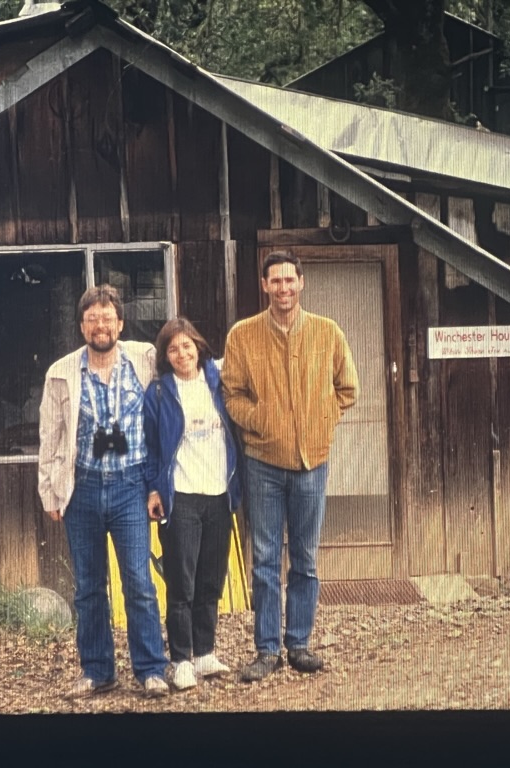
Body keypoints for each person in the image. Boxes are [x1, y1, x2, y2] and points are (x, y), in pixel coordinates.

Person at [221, 251, 358, 683]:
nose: (283, 288)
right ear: (264, 286)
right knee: (264, 558)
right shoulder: (243, 336)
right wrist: (265, 423)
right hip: (263, 462)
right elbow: (232, 395)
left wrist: (320, 421)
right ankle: (266, 649)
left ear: (302, 282)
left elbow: (347, 388)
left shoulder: (327, 332)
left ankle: (298, 643)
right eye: (274, 281)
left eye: (289, 280)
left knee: (305, 558)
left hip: (311, 463)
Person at [38, 284, 170, 699]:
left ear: (121, 323)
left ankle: (151, 668)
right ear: (82, 326)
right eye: (92, 319)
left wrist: (157, 486)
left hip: (132, 486)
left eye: (107, 318)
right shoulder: (61, 373)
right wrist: (51, 493)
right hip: (83, 489)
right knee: (89, 586)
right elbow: (50, 436)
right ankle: (98, 671)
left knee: (138, 581)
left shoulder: (144, 359)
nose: (101, 325)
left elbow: (187, 372)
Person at [144, 318, 242, 691]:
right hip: (180, 496)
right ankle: (181, 660)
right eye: (173, 349)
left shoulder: (218, 381)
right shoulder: (158, 393)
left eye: (187, 346)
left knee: (211, 580)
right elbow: (151, 448)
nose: (182, 354)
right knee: (181, 584)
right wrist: (154, 489)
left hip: (219, 494)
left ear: (199, 347)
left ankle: (205, 653)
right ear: (165, 357)